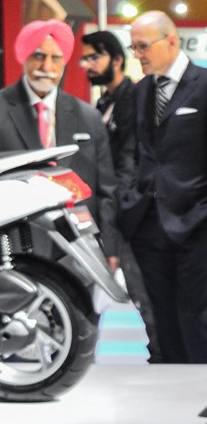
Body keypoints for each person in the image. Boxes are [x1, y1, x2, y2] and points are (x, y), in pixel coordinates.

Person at [116, 10, 207, 364]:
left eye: (143, 46)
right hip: (148, 223)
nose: (138, 54)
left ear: (171, 40)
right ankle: (171, 398)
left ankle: (206, 396)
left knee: (193, 318)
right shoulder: (142, 91)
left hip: (197, 222)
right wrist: (131, 197)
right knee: (162, 320)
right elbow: (135, 152)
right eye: (134, 48)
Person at [0, 20, 118, 266]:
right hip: (15, 248)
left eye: (56, 58)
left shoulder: (88, 116)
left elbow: (106, 190)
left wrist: (111, 247)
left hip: (80, 249)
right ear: (24, 56)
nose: (47, 67)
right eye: (39, 56)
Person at [80, 29, 160, 362]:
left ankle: (163, 360)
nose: (87, 64)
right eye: (84, 58)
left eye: (93, 57)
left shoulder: (135, 98)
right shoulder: (103, 103)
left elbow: (132, 161)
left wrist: (125, 210)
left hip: (130, 218)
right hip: (101, 215)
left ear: (115, 59)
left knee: (147, 301)